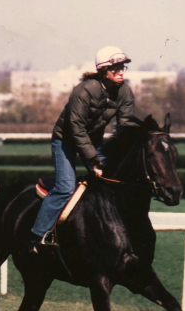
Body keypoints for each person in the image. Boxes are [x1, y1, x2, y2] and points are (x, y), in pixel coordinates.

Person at [29, 46, 136, 252]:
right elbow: (76, 129)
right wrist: (95, 160)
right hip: (65, 139)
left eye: (123, 67)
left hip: (92, 140)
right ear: (105, 71)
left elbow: (125, 127)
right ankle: (37, 236)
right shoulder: (83, 90)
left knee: (113, 181)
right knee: (65, 188)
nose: (121, 71)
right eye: (116, 68)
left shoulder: (125, 92)